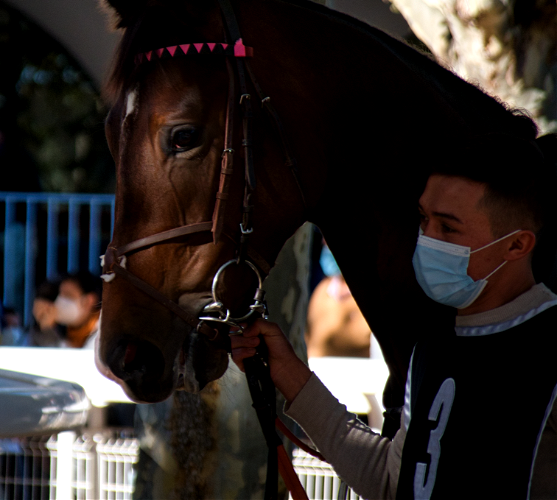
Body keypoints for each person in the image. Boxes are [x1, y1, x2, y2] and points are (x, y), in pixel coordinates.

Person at [231, 135, 557, 499]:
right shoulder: (432, 348)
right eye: (423, 219)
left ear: (517, 245)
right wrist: (287, 373)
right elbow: (392, 482)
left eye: (448, 228)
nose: (427, 238)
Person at [54, 271, 102, 349]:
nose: (59, 302)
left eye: (68, 295)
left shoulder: (105, 337)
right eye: (60, 295)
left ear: (88, 301)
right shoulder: (64, 336)